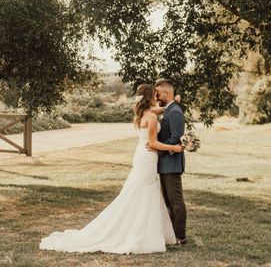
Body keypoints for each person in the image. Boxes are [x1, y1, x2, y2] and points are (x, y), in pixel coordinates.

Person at [39, 83, 183, 254]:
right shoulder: (151, 118)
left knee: (141, 192)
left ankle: (143, 230)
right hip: (147, 157)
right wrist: (174, 148)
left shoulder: (143, 114)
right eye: (155, 96)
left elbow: (161, 111)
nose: (157, 98)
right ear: (150, 98)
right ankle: (140, 233)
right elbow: (152, 143)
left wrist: (174, 101)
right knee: (142, 192)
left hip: (142, 157)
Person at [148, 78, 187, 245]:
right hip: (164, 164)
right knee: (168, 201)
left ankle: (180, 236)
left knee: (176, 201)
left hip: (171, 163)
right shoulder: (169, 109)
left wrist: (158, 149)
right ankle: (172, 235)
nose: (156, 96)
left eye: (158, 93)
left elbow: (175, 139)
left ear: (167, 93)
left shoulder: (176, 112)